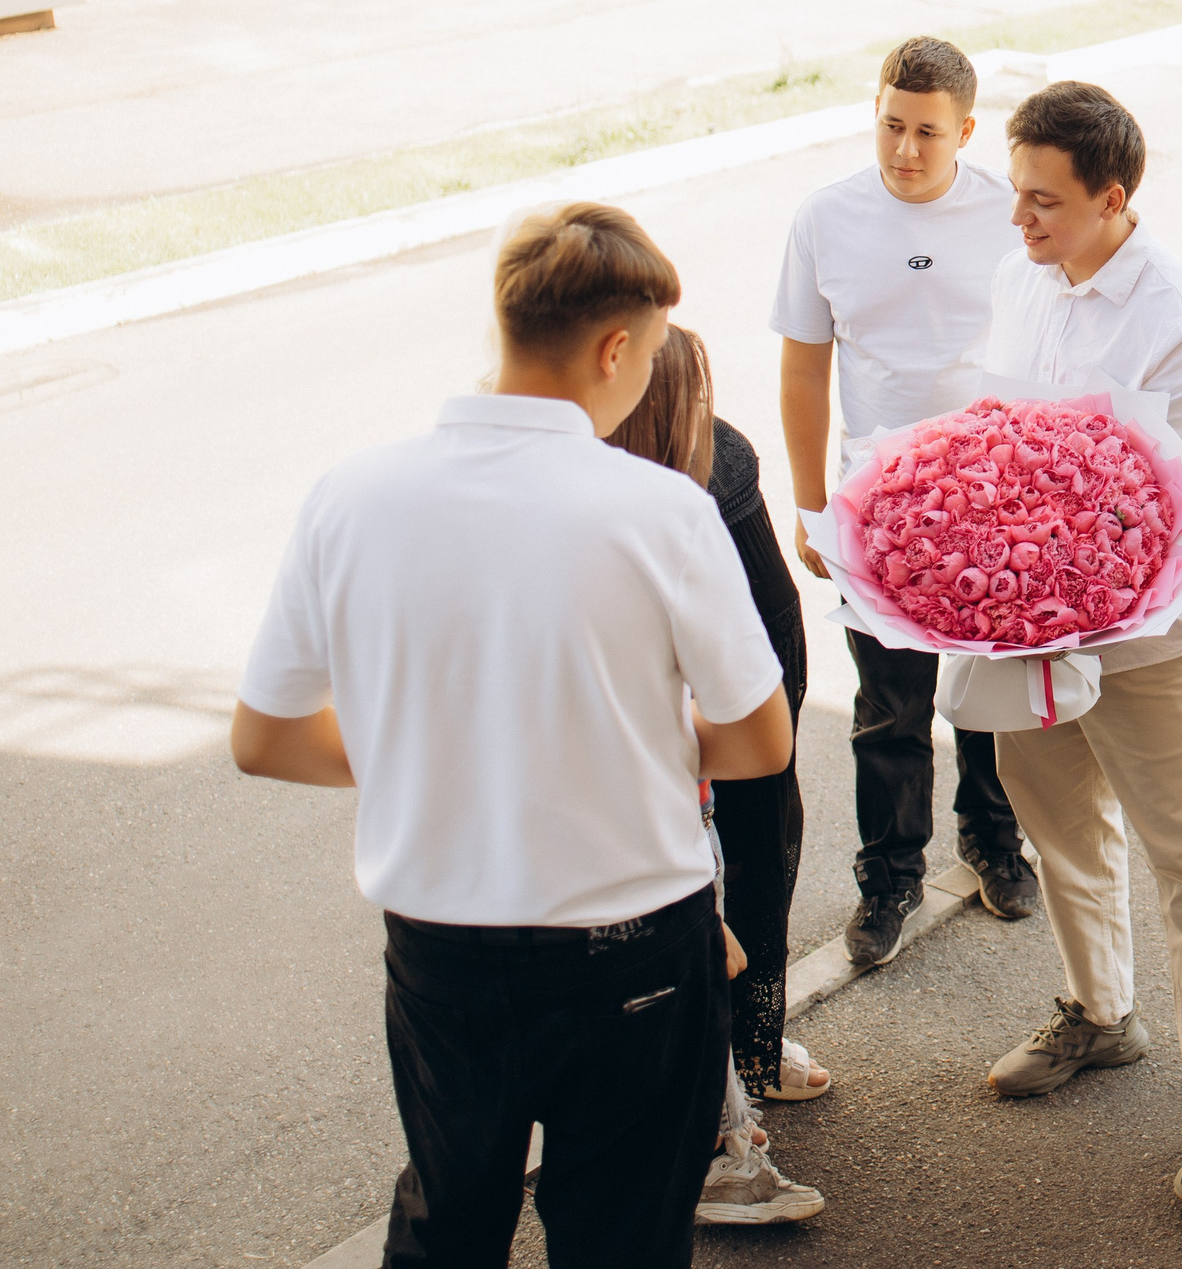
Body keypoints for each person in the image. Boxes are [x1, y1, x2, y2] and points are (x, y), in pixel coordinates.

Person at [232, 202, 793, 1267]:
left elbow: (265, 739)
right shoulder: (661, 511)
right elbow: (760, 739)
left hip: (440, 949)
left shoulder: (349, 496)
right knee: (621, 1236)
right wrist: (627, 749)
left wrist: (433, 755)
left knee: (448, 1221)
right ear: (615, 349)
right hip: (635, 945)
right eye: (649, 356)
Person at [975, 80, 1182, 1211]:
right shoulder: (1020, 274)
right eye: (1016, 194)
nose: (1018, 219)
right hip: (1022, 626)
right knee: (1056, 827)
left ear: (1113, 198)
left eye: (1043, 201)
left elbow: (1149, 503)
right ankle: (1100, 1013)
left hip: (1145, 636)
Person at [774, 36, 1039, 971]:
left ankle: (994, 839)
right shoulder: (826, 218)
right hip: (876, 509)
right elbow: (804, 368)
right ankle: (888, 876)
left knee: (988, 693)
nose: (905, 149)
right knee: (890, 709)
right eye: (891, 125)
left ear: (965, 131)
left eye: (928, 131)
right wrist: (811, 503)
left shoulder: (1007, 216)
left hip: (991, 503)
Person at [602, 325, 826, 1225]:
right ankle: (707, 1141)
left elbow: (772, 632)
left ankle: (744, 1066)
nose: (703, 414)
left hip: (705, 745)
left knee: (740, 893)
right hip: (668, 759)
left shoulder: (718, 458)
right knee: (670, 943)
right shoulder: (620, 512)